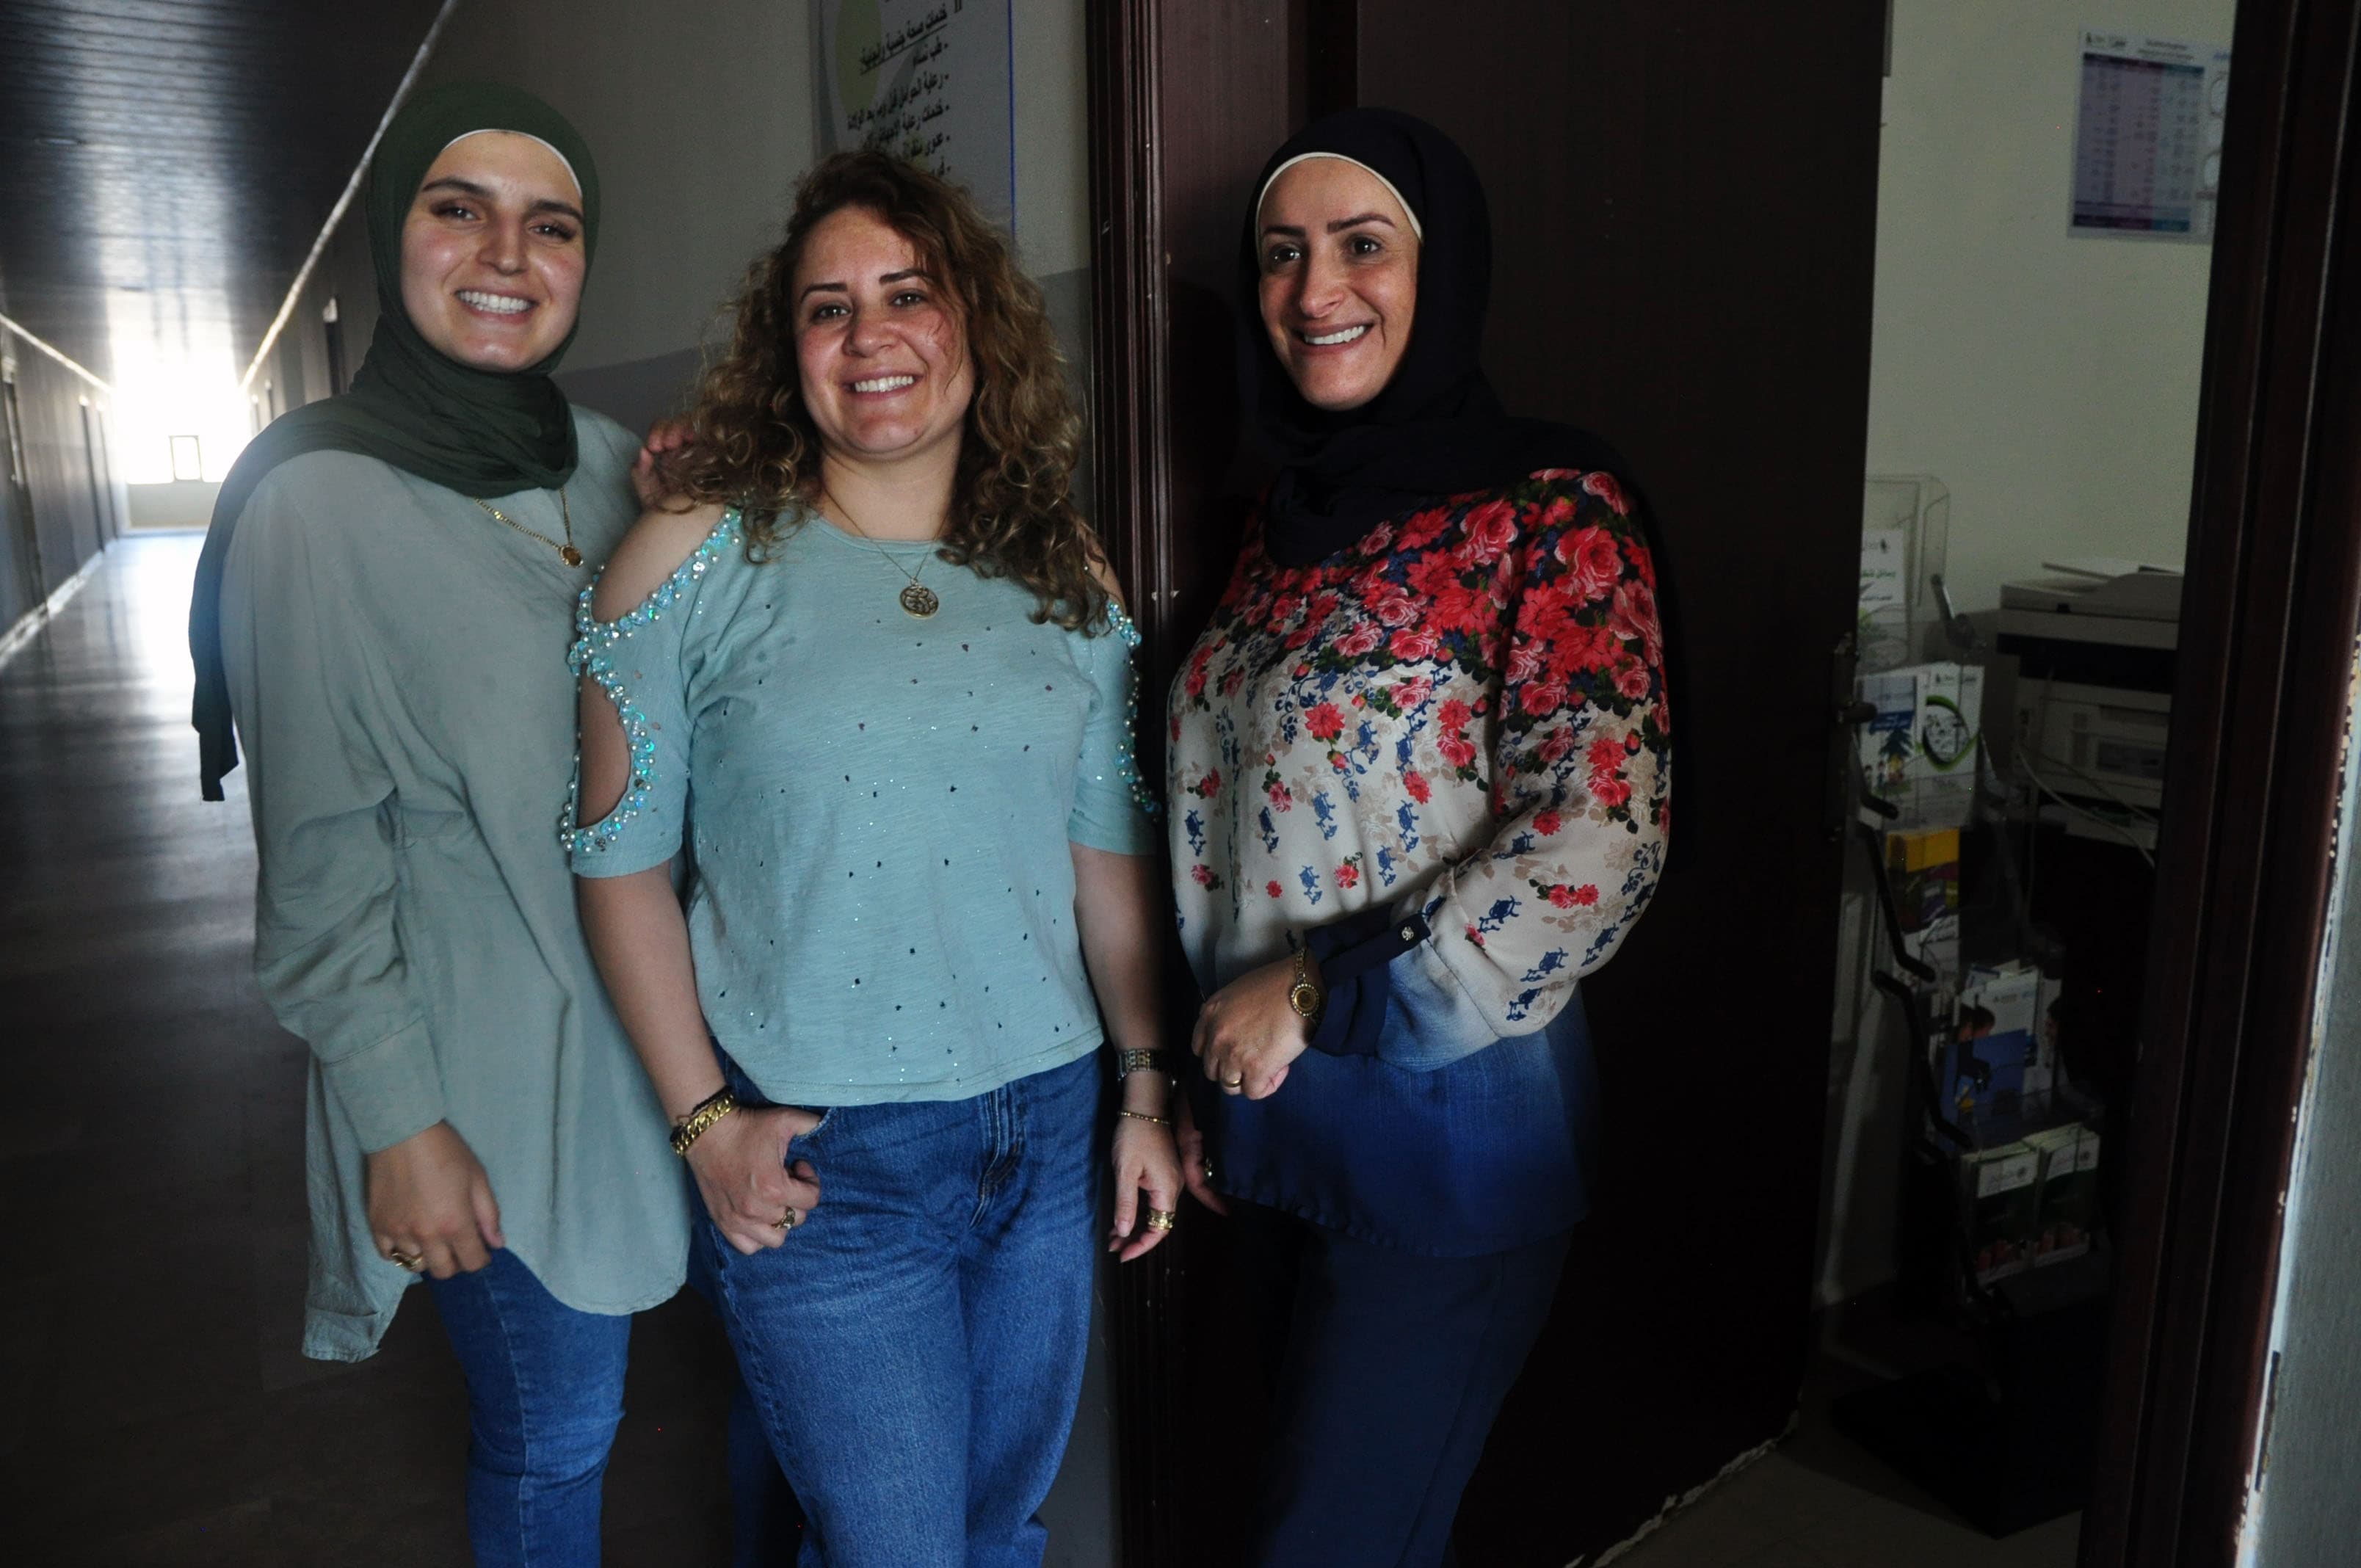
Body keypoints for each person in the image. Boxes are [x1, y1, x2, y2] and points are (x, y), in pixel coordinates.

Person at [570, 148, 1180, 1568]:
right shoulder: (687, 560)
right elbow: (617, 866)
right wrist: (702, 1127)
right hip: (829, 1159)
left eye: (907, 292)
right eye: (826, 308)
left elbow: (1106, 857)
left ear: (975, 321)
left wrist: (1144, 1085)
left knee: (996, 1529)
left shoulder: (1065, 574)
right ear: (789, 356)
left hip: (1044, 1125)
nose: (870, 335)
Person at [189, 83, 690, 1566]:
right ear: (390, 238)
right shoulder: (315, 506)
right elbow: (322, 864)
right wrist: (400, 1123)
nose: (505, 254)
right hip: (481, 1065)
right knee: (556, 1432)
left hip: (650, 1032)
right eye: (455, 207)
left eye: (552, 224)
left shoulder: (610, 464)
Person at [1167, 109, 1675, 1566]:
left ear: (1440, 269)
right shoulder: (1283, 526)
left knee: (1330, 1546)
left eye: (1362, 244)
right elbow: (1237, 819)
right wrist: (1212, 1071)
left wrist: (1322, 986)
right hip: (1272, 1113)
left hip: (1450, 1129)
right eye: (1283, 255)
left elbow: (1598, 834)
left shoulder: (1549, 506)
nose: (1315, 288)